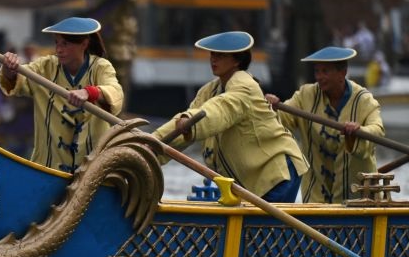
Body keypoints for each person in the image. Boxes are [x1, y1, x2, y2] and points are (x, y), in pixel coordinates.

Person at [153, 31, 308, 202]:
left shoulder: (245, 85)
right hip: (248, 178)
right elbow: (180, 125)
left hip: (276, 173)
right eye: (212, 54)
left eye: (220, 55)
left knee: (263, 228)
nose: (213, 59)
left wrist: (192, 122)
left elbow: (220, 110)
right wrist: (149, 147)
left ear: (237, 60)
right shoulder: (209, 91)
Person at [0, 16, 123, 173]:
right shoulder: (45, 66)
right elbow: (19, 79)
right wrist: (10, 70)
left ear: (84, 44)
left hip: (92, 173)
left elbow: (115, 91)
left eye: (65, 44)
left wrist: (89, 92)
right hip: (47, 168)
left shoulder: (100, 67)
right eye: (57, 43)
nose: (59, 49)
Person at [264, 46, 384, 204]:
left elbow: (377, 130)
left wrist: (359, 131)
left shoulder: (364, 100)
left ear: (342, 73)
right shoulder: (305, 95)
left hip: (360, 198)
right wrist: (270, 107)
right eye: (317, 71)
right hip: (316, 197)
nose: (319, 77)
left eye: (325, 71)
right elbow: (281, 119)